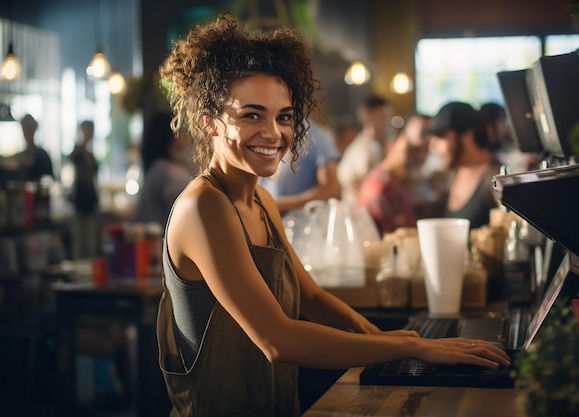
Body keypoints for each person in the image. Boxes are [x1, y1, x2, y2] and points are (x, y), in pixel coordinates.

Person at [156, 13, 509, 417]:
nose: (273, 133)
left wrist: (389, 343)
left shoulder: (263, 204)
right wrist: (412, 345)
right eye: (252, 115)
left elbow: (311, 297)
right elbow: (277, 340)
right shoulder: (203, 206)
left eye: (284, 116)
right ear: (211, 123)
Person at [425, 101, 501, 229]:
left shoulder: (494, 179)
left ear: (467, 135)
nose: (433, 145)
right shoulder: (455, 173)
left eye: (441, 137)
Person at [357, 112, 431, 235]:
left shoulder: (391, 179)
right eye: (413, 150)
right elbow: (406, 237)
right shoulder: (384, 187)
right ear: (396, 140)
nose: (421, 157)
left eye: (427, 150)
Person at [258, 118, 340, 214]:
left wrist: (280, 205)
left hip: (296, 224)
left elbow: (331, 189)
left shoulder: (316, 137)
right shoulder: (270, 131)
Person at [135, 112, 193, 227]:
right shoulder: (172, 172)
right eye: (182, 129)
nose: (188, 135)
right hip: (167, 239)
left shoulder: (157, 167)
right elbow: (187, 213)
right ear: (172, 135)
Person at [337, 95, 394, 205]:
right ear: (367, 117)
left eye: (388, 116)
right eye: (382, 116)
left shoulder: (375, 146)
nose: (387, 121)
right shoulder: (364, 150)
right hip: (360, 213)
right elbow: (375, 186)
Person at [68, 120, 100, 259]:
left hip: (90, 200)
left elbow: (93, 170)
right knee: (78, 239)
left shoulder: (90, 155)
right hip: (79, 199)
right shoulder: (78, 151)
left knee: (90, 239)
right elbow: (71, 158)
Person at [3, 114, 55, 181]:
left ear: (34, 128)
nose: (27, 131)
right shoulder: (22, 155)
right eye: (24, 127)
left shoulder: (42, 156)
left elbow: (48, 180)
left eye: (29, 127)